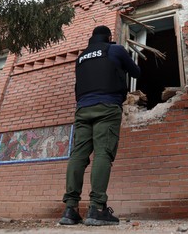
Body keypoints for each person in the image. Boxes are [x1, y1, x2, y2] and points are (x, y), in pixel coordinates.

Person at [59, 25, 141, 226]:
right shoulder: (115, 49)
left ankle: (70, 209)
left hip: (82, 109)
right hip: (107, 106)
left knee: (78, 155)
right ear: (108, 37)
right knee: (103, 154)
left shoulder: (81, 57)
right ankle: (96, 208)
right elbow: (136, 72)